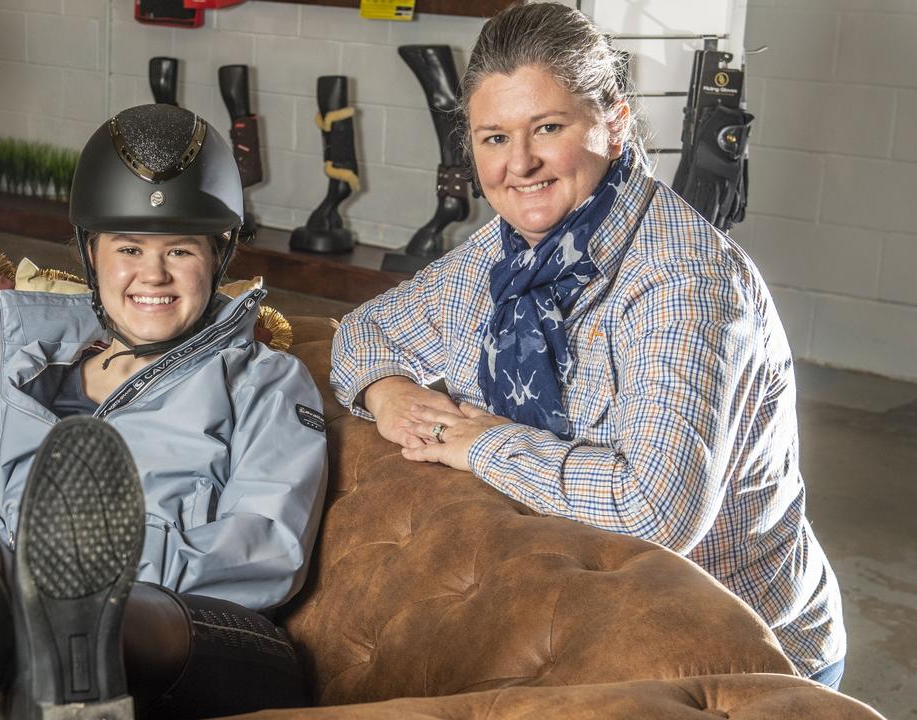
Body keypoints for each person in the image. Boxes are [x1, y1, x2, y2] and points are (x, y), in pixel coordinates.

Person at [329, 2, 845, 689]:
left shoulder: (683, 281)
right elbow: (367, 331)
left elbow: (656, 511)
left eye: (548, 127)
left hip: (742, 661)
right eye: (493, 138)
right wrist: (388, 393)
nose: (521, 164)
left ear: (615, 122)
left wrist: (482, 443)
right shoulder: (504, 254)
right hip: (583, 632)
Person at [0, 103, 328, 720]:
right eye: (129, 248)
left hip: (203, 645)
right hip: (39, 654)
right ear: (91, 254)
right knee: (17, 676)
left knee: (60, 624)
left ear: (219, 256)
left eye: (180, 251)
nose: (153, 273)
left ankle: (36, 626)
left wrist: (98, 560)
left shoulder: (265, 382)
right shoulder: (26, 374)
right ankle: (14, 640)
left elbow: (267, 550)